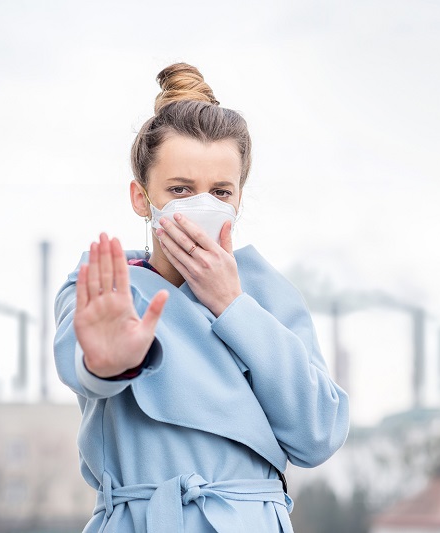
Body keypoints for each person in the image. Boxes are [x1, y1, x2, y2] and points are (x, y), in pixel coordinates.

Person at [54, 63, 350, 533]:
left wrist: (233, 306)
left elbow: (318, 435)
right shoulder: (104, 283)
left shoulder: (268, 295)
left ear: (238, 198)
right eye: (180, 189)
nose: (201, 206)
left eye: (220, 191)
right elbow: (80, 364)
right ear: (140, 196)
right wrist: (110, 363)